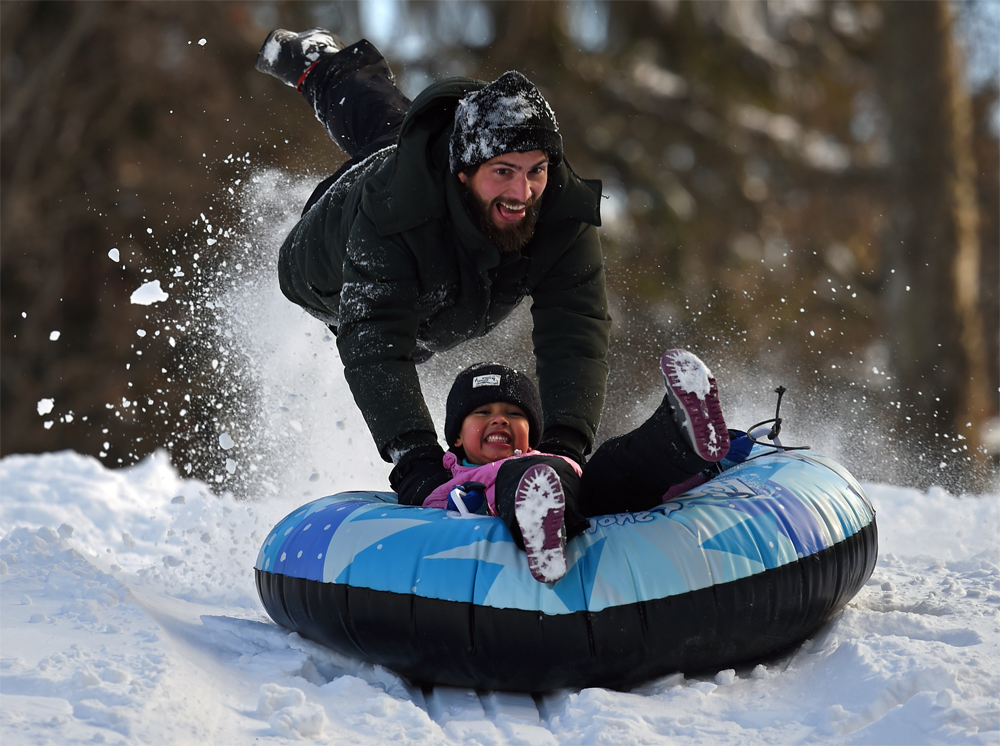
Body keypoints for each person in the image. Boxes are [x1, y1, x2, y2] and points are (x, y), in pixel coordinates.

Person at [255, 29, 611, 508]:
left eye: (535, 170)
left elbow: (576, 329)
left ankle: (321, 62)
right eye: (503, 171)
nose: (523, 192)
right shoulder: (394, 213)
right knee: (390, 149)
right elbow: (374, 339)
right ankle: (316, 67)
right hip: (326, 269)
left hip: (425, 199)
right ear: (463, 173)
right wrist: (415, 457)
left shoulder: (561, 212)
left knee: (398, 127)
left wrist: (565, 447)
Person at [422, 349, 739, 583]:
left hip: (583, 495)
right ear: (458, 437)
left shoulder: (543, 457)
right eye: (482, 411)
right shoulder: (452, 480)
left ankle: (681, 436)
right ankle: (541, 528)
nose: (500, 419)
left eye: (514, 414)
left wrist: (693, 481)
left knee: (616, 462)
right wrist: (469, 509)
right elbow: (438, 515)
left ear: (532, 433)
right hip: (519, 496)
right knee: (520, 476)